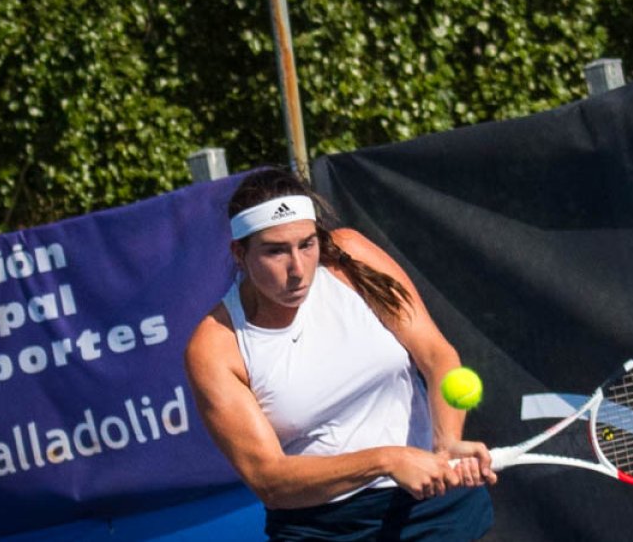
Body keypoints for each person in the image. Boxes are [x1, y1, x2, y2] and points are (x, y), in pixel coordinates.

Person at [184, 166, 496, 541]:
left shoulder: (352, 257)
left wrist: (446, 442)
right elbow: (270, 480)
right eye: (275, 251)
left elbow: (436, 355)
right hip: (325, 528)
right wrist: (387, 459)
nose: (297, 269)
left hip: (439, 508)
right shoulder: (214, 347)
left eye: (307, 244)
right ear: (240, 253)